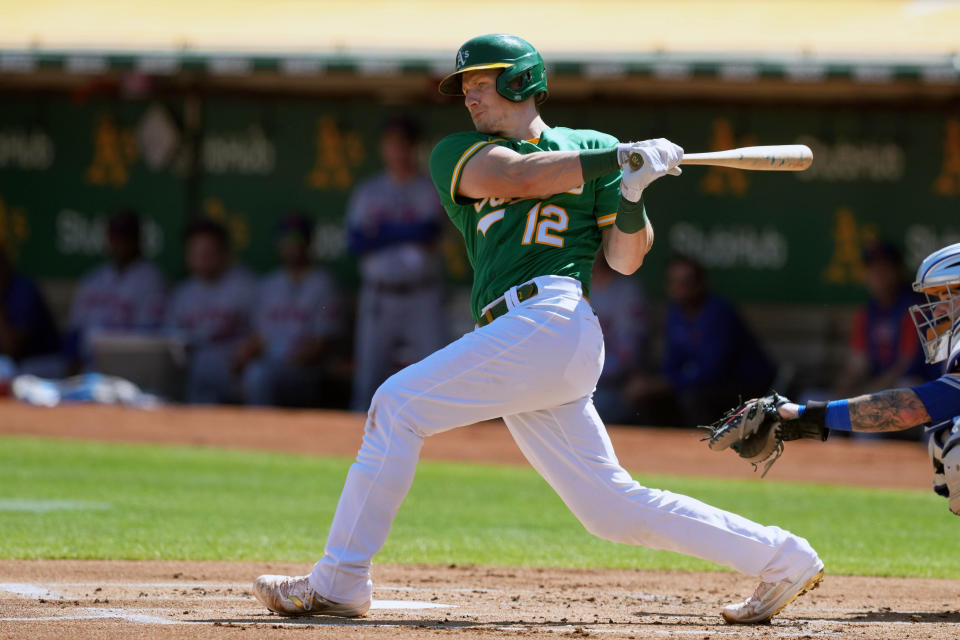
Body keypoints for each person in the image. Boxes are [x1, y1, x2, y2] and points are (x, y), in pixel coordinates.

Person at [253, 34, 823, 625]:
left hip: (552, 320)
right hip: (526, 337)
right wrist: (617, 159)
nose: (470, 97)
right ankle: (784, 557)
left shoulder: (593, 147)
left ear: (521, 80)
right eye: (465, 87)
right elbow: (523, 176)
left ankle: (341, 579)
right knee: (611, 509)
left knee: (395, 405)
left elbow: (627, 259)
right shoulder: (459, 151)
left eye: (481, 82)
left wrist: (631, 193)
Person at [768, 242, 960, 515]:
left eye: (946, 297)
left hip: (906, 388)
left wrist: (804, 415)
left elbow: (909, 407)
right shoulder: (868, 311)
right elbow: (856, 366)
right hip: (895, 390)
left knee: (954, 442)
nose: (937, 310)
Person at [346, 116, 448, 411]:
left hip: (421, 295)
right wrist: (404, 232)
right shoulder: (369, 191)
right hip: (379, 296)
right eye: (392, 144)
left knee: (438, 375)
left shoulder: (428, 188)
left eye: (404, 144)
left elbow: (428, 232)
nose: (398, 150)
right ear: (384, 148)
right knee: (367, 379)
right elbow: (356, 242)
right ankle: (354, 449)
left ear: (414, 147)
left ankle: (446, 444)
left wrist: (381, 232)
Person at [233, 213, 342, 407]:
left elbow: (322, 345)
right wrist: (241, 357)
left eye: (297, 239)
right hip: (270, 367)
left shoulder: (324, 284)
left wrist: (286, 365)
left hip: (306, 371)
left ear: (309, 243)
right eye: (286, 240)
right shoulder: (268, 285)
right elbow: (258, 338)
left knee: (259, 375)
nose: (291, 246)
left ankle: (264, 432)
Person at [166, 218, 256, 404]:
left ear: (224, 252)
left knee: (203, 365)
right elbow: (170, 340)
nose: (201, 257)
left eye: (208, 251)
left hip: (236, 368)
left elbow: (263, 334)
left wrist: (247, 352)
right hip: (195, 370)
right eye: (196, 251)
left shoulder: (247, 286)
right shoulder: (182, 293)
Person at [64, 209, 166, 372]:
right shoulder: (93, 279)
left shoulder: (152, 281)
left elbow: (149, 338)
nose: (119, 242)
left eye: (125, 236)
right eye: (114, 236)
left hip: (128, 366)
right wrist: (72, 362)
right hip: (86, 362)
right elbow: (74, 331)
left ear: (138, 239)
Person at [833, 241, 934, 400]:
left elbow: (904, 365)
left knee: (907, 389)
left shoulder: (915, 308)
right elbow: (857, 363)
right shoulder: (867, 312)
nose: (878, 275)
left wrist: (865, 396)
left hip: (912, 385)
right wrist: (841, 393)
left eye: (884, 268)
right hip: (878, 385)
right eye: (872, 269)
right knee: (814, 399)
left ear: (898, 271)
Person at [589, 254, 649, 424]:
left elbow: (627, 355)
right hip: (576, 381)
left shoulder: (627, 291)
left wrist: (584, 372)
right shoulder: (575, 288)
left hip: (614, 386)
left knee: (595, 405)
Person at [0, 243, 61, 379]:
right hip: (18, 366)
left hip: (43, 362)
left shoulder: (23, 291)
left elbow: (11, 348)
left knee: (5, 369)